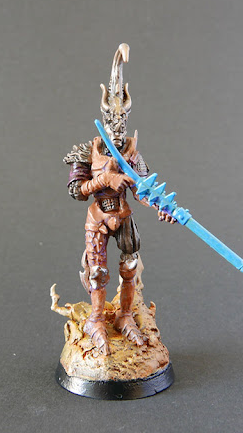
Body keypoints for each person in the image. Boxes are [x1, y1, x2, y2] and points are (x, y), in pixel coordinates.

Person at [64, 44, 175, 355]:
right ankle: (96, 320)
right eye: (111, 122)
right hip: (99, 217)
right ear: (103, 119)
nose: (116, 129)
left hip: (123, 217)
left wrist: (161, 207)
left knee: (130, 266)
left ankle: (125, 315)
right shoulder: (88, 151)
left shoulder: (132, 153)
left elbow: (142, 190)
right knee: (97, 272)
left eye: (121, 123)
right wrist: (103, 180)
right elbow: (76, 190)